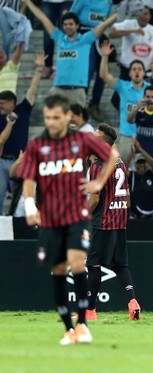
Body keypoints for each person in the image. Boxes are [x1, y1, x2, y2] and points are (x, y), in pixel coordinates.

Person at [17, 94, 119, 345]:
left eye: (56, 117)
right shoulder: (37, 145)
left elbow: (112, 156)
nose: (51, 122)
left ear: (67, 117)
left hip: (76, 215)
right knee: (59, 269)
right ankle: (68, 329)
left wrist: (98, 182)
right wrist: (30, 205)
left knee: (76, 263)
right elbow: (28, 179)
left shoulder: (82, 140)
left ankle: (82, 324)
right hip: (50, 218)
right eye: (48, 117)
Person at [84, 123, 141, 321]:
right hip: (119, 221)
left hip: (102, 222)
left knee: (93, 265)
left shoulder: (98, 165)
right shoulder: (120, 163)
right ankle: (133, 302)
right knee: (120, 265)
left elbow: (94, 199)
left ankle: (89, 311)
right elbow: (126, 194)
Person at [23, 0, 117, 106]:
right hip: (57, 89)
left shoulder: (85, 40)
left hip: (76, 91)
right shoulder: (59, 38)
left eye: (71, 24)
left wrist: (117, 14)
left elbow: (102, 26)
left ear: (77, 26)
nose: (67, 27)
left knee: (76, 123)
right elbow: (43, 19)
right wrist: (28, 2)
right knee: (54, 121)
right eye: (65, 24)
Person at [0, 51, 45, 213]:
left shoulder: (23, 110)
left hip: (19, 160)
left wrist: (39, 69)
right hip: (1, 161)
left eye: (3, 104)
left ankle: (16, 230)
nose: (1, 107)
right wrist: (9, 124)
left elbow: (32, 91)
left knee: (19, 196)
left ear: (13, 103)